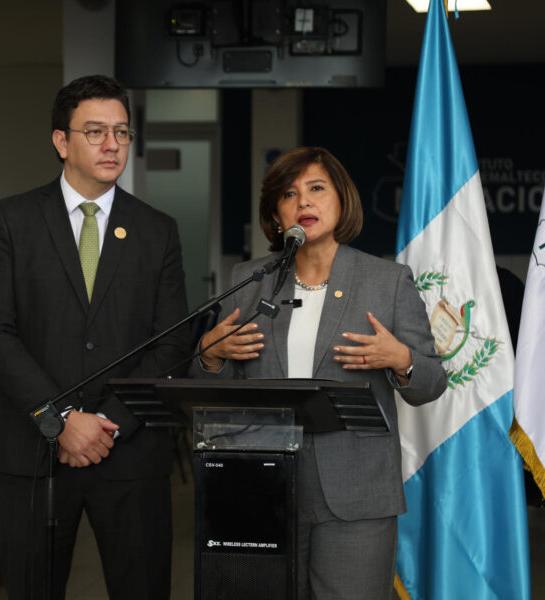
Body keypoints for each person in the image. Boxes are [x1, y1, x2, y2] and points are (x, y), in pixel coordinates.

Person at [191, 147, 447, 599]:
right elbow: (214, 392)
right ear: (275, 215)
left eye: (316, 189)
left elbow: (430, 384)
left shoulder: (386, 281)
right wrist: (210, 357)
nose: (303, 202)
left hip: (355, 489)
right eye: (289, 194)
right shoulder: (250, 282)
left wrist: (401, 358)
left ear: (341, 201)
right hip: (259, 486)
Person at [0, 75, 190, 600]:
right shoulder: (12, 221)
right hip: (32, 451)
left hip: (130, 449)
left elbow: (172, 343)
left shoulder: (157, 230)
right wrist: (62, 420)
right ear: (61, 141)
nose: (112, 144)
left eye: (121, 131)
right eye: (95, 131)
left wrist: (107, 426)